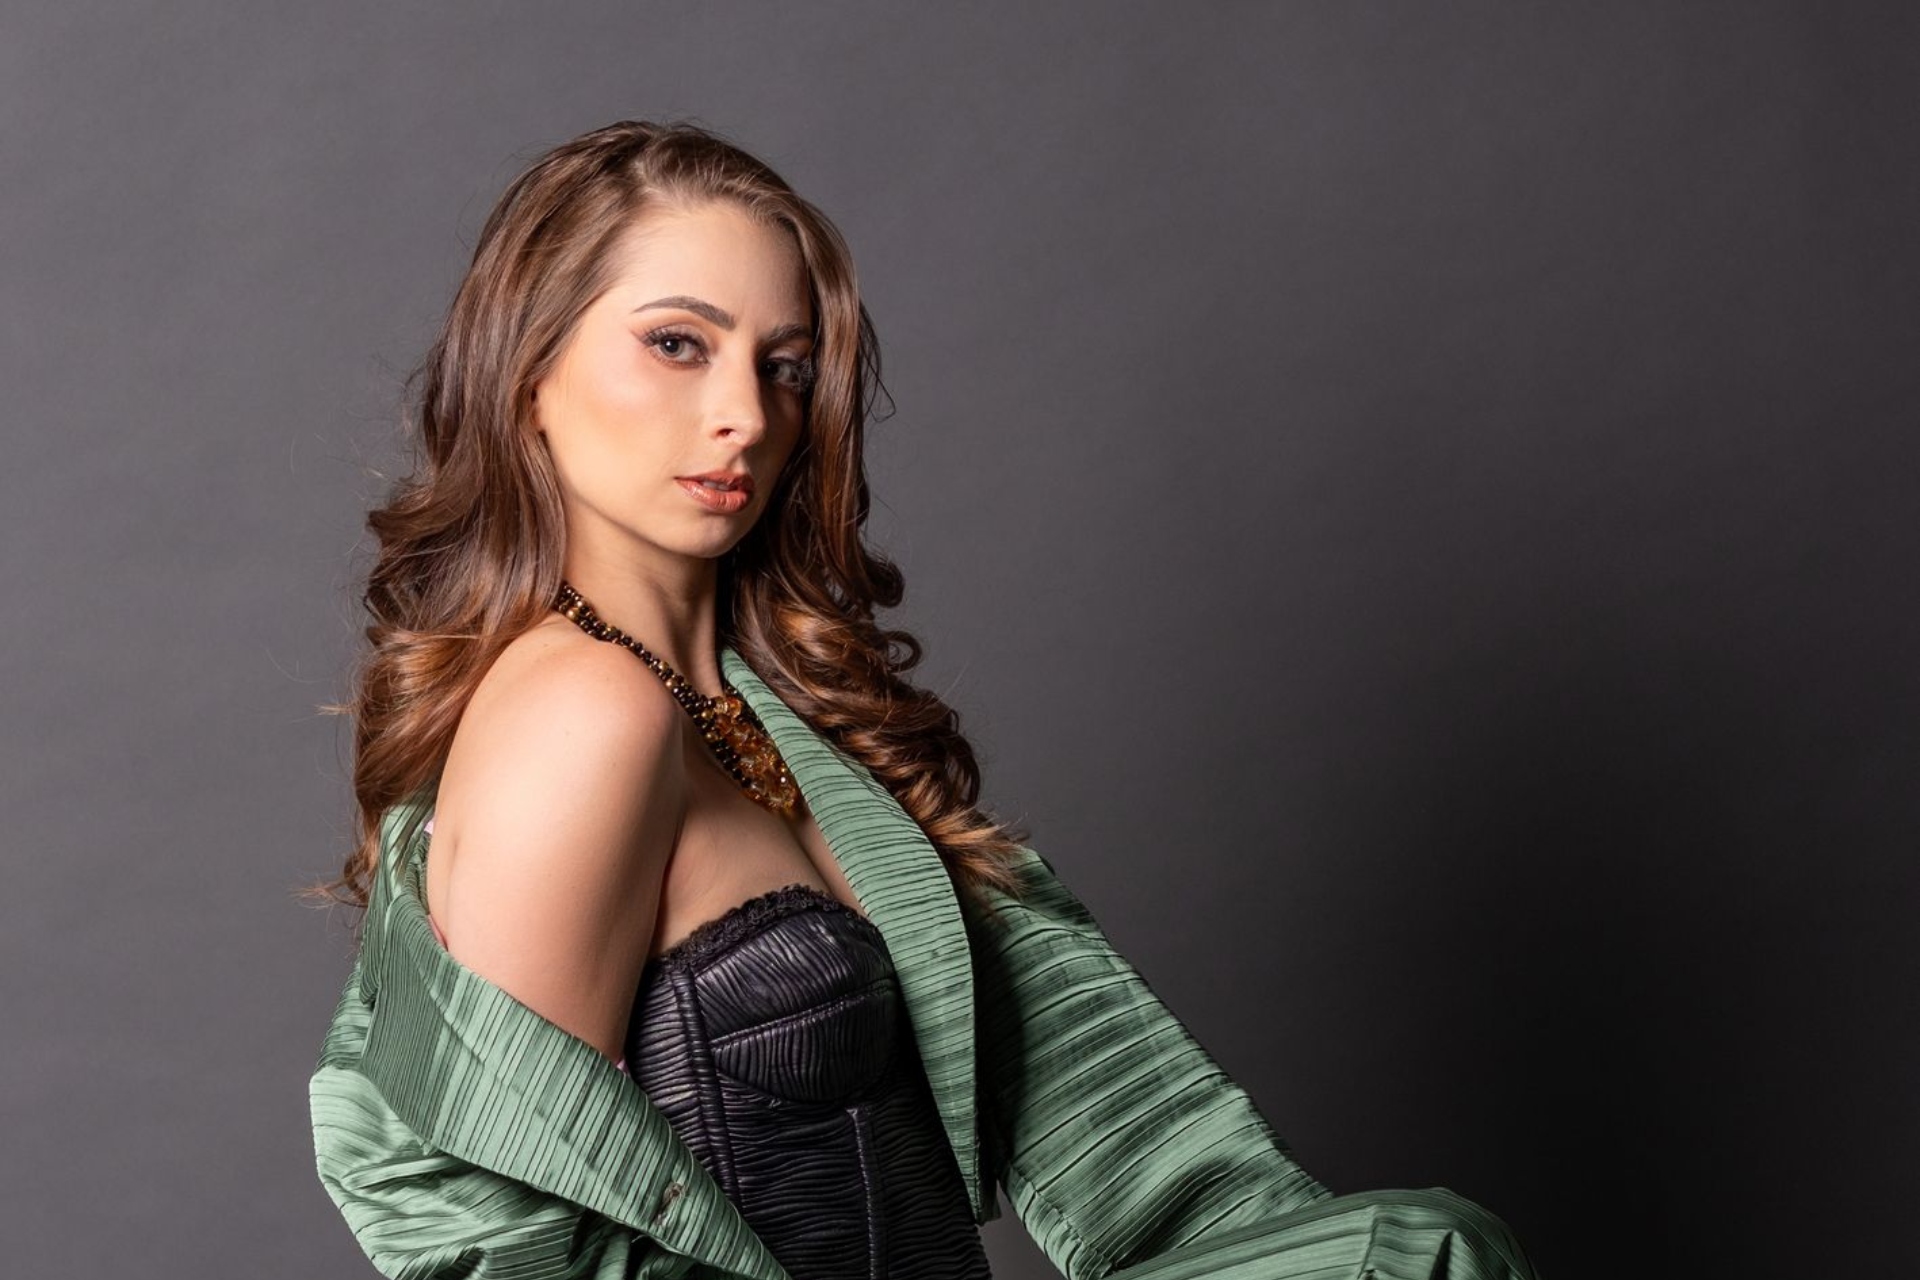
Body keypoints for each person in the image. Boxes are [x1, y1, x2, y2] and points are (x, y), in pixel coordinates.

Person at [309, 120, 1540, 1280]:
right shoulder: (584, 710)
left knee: (1425, 1249)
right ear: (530, 370)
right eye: (676, 343)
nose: (745, 414)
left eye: (785, 366)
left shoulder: (767, 711)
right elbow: (518, 1227)